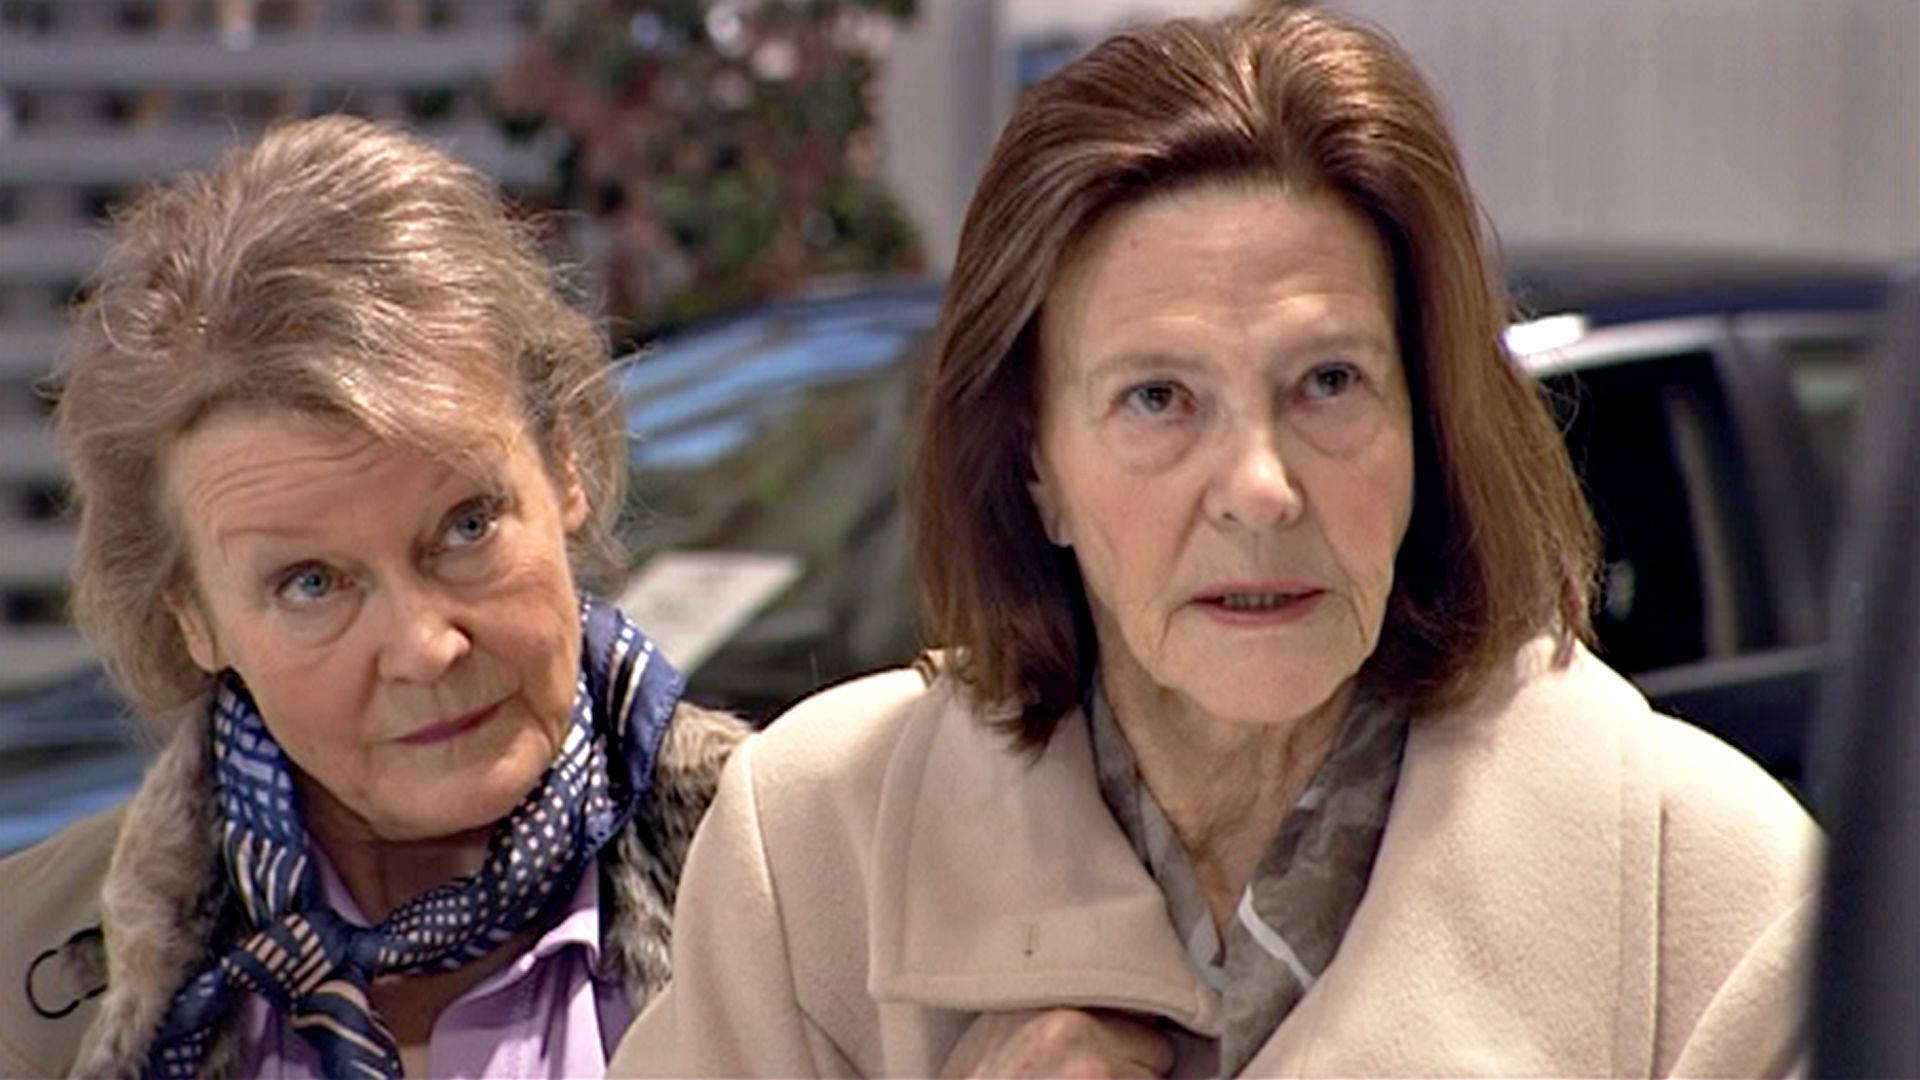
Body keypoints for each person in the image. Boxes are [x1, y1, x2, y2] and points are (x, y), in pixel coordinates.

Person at [610, 8, 1820, 1078]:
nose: (1260, 489)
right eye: (1158, 399)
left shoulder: (1713, 895)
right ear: (1035, 468)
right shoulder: (814, 851)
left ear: (1429, 428)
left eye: (1329, 381)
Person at [0, 115, 746, 1079]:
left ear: (564, 464)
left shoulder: (804, 879)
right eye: (311, 584)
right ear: (193, 617)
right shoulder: (28, 970)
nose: (424, 646)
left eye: (467, 528)